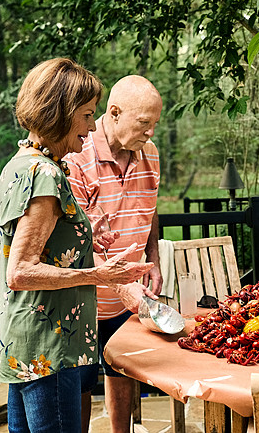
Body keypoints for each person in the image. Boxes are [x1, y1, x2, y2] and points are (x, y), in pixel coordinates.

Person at [0, 58, 154, 433]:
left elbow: (37, 242)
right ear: (59, 113)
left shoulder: (20, 163)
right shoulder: (45, 173)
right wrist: (101, 274)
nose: (91, 126)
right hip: (50, 348)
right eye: (85, 115)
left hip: (26, 343)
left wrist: (86, 234)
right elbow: (20, 271)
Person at [64, 74, 163, 433]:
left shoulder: (149, 153)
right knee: (81, 381)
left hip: (129, 293)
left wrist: (153, 258)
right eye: (144, 123)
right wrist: (120, 285)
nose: (150, 132)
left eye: (155, 123)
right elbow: (75, 239)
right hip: (86, 292)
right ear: (115, 112)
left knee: (122, 371)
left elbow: (151, 210)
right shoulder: (78, 155)